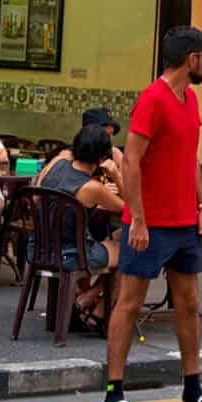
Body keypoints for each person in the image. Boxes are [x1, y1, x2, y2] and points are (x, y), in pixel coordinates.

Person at [101, 26, 202, 402]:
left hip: (185, 221)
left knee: (188, 304)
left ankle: (192, 386)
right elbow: (132, 161)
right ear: (190, 59)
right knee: (130, 303)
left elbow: (190, 158)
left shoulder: (190, 99)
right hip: (149, 224)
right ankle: (112, 392)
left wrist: (201, 204)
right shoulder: (152, 100)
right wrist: (137, 217)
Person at [35, 124, 124, 331]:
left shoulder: (56, 163)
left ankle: (84, 303)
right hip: (71, 254)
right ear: (102, 158)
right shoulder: (91, 188)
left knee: (120, 236)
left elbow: (38, 194)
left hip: (40, 248)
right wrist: (117, 176)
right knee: (132, 252)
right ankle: (93, 305)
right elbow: (129, 209)